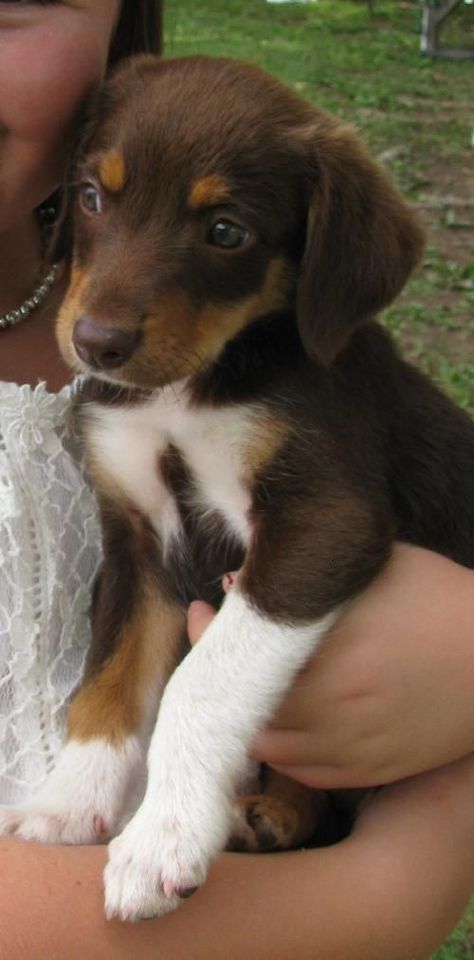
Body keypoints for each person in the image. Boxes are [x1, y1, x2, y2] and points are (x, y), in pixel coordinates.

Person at [0, 2, 472, 957]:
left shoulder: (292, 392)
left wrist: (187, 762)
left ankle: (289, 799)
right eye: (97, 199)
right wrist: (95, 772)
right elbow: (140, 574)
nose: (108, 320)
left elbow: (332, 530)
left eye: (222, 234)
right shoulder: (113, 392)